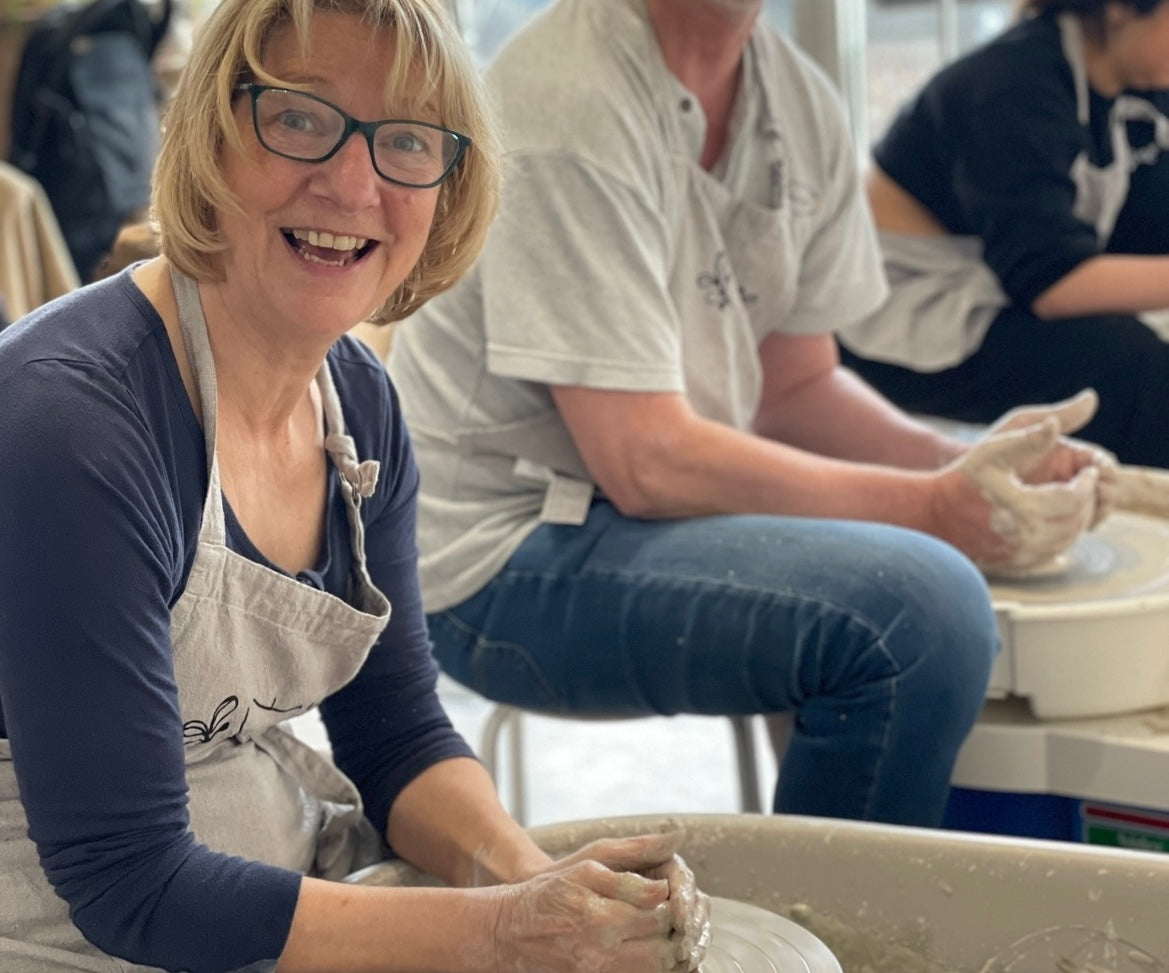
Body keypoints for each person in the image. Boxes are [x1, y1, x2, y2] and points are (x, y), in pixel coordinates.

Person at [0, 0, 711, 970]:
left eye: (407, 142)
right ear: (213, 135)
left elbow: (395, 733)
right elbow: (128, 879)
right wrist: (499, 931)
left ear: (448, 188)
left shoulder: (357, 406)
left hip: (237, 889)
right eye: (298, 118)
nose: (350, 182)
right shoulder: (72, 425)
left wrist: (533, 880)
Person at [387, 0, 1116, 829]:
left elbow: (792, 388)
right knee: (918, 608)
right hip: (495, 550)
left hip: (633, 501)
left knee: (939, 581)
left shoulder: (796, 101)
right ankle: (836, 943)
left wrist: (964, 463)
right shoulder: (567, 99)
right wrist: (931, 510)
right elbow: (644, 460)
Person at [837, 0, 1169, 467]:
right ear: (1120, 10)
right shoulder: (1012, 85)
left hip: (1000, 279)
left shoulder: (1138, 85)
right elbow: (1052, 283)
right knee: (1133, 367)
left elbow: (1149, 225)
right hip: (911, 315)